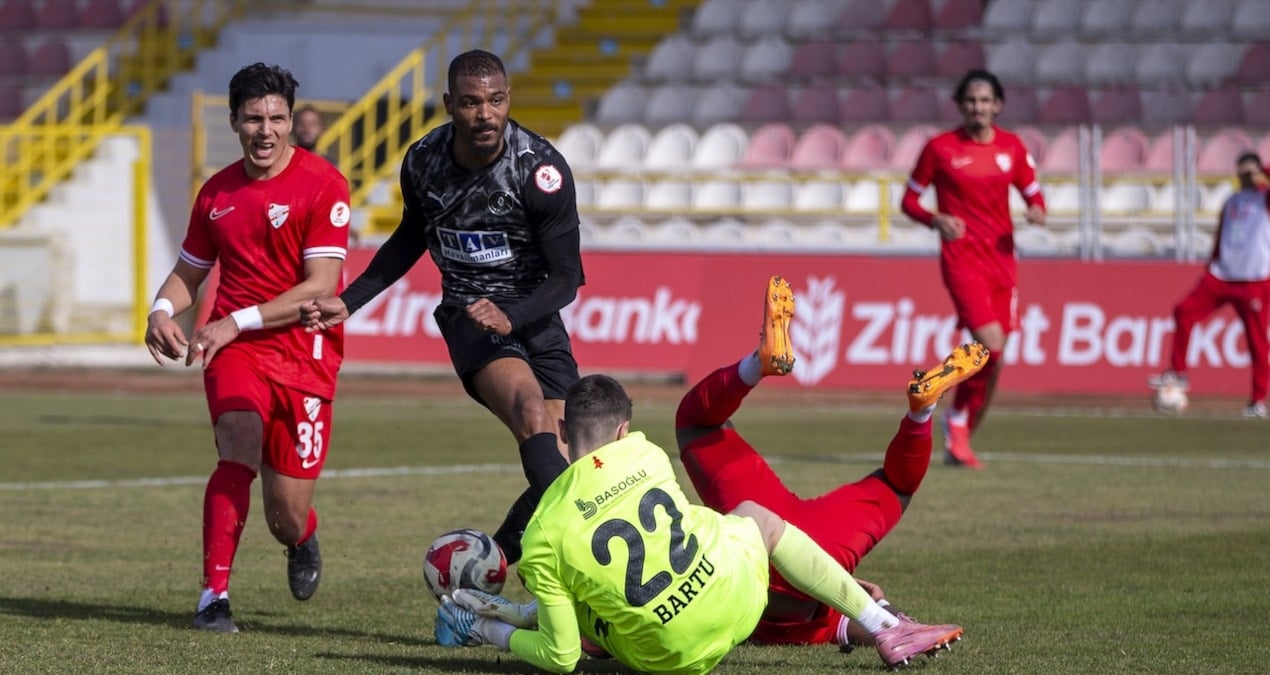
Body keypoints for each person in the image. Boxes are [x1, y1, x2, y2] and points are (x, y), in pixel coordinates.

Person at [431, 277, 967, 672]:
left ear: (563, 434)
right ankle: (885, 623)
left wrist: (486, 629)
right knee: (759, 513)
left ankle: (475, 617)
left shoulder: (544, 533)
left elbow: (560, 656)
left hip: (670, 656)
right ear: (624, 431)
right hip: (745, 594)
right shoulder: (645, 454)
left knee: (577, 606)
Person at [298, 49, 583, 564]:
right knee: (530, 412)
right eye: (472, 103)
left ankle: (485, 563)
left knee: (571, 462)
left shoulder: (540, 170)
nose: (485, 114)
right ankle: (585, 548)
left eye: (496, 101)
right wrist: (350, 301)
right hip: (468, 316)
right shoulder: (424, 161)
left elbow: (568, 277)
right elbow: (411, 238)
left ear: (508, 99)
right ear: (451, 104)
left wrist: (513, 315)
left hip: (534, 317)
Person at [144, 63, 352, 633]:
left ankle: (302, 537)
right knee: (237, 443)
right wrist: (161, 310)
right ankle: (214, 597)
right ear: (234, 121)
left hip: (305, 352)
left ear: (291, 122)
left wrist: (234, 321)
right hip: (234, 350)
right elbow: (188, 273)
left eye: (277, 118)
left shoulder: (324, 184)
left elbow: (321, 286)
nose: (266, 130)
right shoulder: (216, 193)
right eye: (254, 118)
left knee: (284, 517)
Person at [676, 276, 988, 648]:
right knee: (697, 424)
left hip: (810, 549)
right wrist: (875, 604)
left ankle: (921, 414)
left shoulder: (830, 623)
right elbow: (858, 623)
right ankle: (757, 365)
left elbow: (869, 624)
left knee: (897, 486)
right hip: (773, 534)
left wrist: (885, 607)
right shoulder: (816, 627)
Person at [901, 68, 1047, 469]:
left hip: (1002, 261)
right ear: (961, 106)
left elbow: (1035, 195)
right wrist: (936, 220)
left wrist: (1036, 211)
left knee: (993, 357)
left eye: (985, 100)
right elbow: (909, 201)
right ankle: (952, 415)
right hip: (962, 260)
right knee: (990, 342)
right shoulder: (940, 148)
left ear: (997, 105)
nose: (977, 107)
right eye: (970, 100)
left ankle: (958, 423)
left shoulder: (1013, 148)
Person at [1149, 152, 1270, 419]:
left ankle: (1257, 401)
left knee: (1257, 342)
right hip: (1221, 274)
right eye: (1241, 173)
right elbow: (1223, 234)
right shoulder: (1231, 201)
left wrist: (1262, 171)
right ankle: (1179, 373)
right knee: (1184, 310)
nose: (1245, 177)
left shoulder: (1265, 198)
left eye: (1249, 173)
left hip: (1254, 280)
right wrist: (1212, 262)